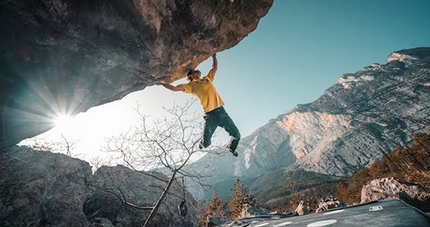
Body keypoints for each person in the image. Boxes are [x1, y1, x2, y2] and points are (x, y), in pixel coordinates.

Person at [158, 53, 240, 157]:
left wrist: (214, 56)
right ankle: (202, 142)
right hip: (210, 116)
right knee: (206, 144)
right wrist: (161, 83)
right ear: (190, 76)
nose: (196, 71)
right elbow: (174, 88)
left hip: (222, 112)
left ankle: (230, 147)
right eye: (193, 71)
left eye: (196, 70)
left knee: (237, 135)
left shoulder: (207, 79)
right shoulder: (190, 86)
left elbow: (214, 68)